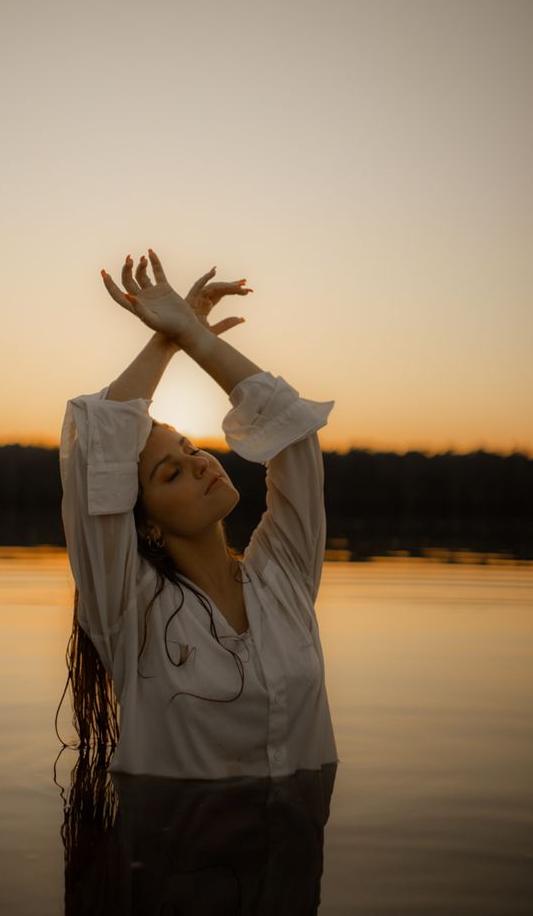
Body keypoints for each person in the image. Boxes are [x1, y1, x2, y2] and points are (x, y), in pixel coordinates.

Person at [59, 248, 338, 780]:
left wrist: (197, 337)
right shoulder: (129, 609)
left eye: (190, 448)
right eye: (170, 473)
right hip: (172, 855)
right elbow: (99, 450)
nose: (198, 463)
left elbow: (295, 437)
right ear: (145, 523)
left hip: (297, 859)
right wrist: (166, 339)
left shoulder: (284, 579)